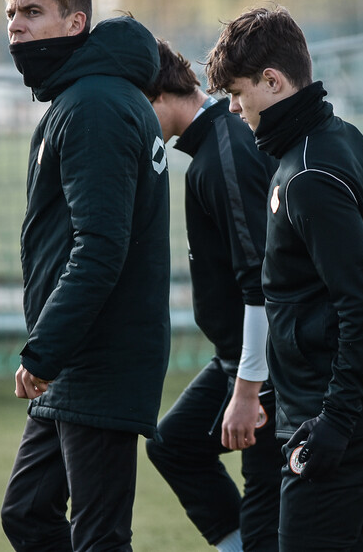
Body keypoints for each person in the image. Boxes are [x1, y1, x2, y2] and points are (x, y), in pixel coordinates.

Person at [204, 6, 363, 551]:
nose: (233, 108)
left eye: (237, 92)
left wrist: (337, 419)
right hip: (354, 405)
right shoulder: (335, 137)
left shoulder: (307, 175)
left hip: (344, 417)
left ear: (272, 82)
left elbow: (361, 301)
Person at [0, 0, 172, 552]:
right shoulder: (84, 98)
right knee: (27, 512)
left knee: (100, 538)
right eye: (11, 15)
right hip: (79, 358)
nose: (16, 28)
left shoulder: (95, 106)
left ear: (76, 22)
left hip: (99, 354)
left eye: (32, 12)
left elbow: (100, 247)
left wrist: (46, 349)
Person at [141, 39, 282, 552]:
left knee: (268, 506)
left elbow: (261, 282)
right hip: (236, 359)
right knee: (174, 445)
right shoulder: (209, 148)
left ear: (156, 94)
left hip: (267, 367)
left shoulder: (225, 151)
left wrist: (251, 391)